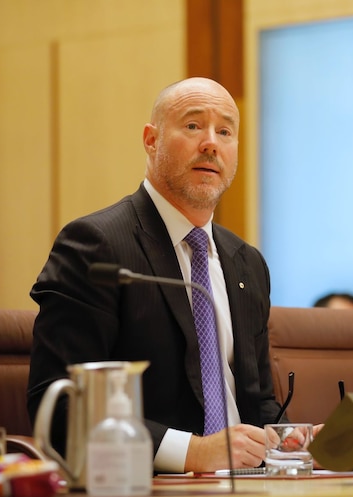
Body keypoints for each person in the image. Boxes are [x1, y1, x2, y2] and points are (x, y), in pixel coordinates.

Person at [28, 77, 284, 474]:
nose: (211, 143)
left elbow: (258, 401)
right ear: (151, 141)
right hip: (153, 488)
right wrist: (192, 452)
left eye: (225, 131)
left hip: (252, 484)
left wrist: (290, 439)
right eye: (194, 126)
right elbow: (61, 404)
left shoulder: (246, 262)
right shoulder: (97, 245)